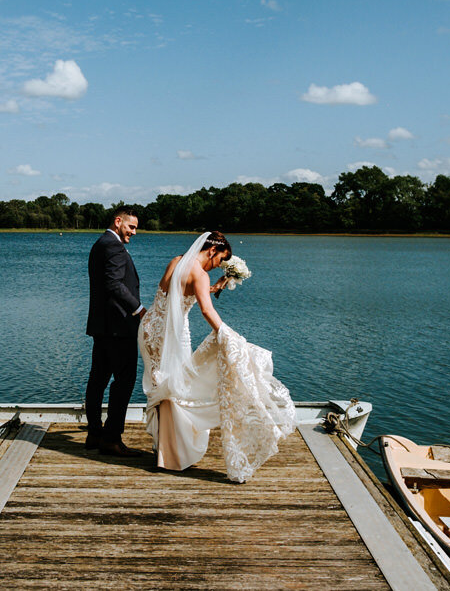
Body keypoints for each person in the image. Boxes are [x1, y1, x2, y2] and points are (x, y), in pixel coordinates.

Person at [138, 231, 296, 482]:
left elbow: (178, 293)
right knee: (175, 389)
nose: (216, 266)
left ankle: (163, 451)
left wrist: (212, 287)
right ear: (212, 251)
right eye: (218, 260)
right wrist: (226, 333)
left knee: (163, 385)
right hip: (174, 336)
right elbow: (206, 310)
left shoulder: (176, 261)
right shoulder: (199, 274)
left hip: (150, 331)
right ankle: (170, 456)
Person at [85, 206, 147, 457]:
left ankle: (94, 433)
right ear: (118, 221)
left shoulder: (100, 243)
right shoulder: (113, 246)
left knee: (98, 380)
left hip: (102, 326)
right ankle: (111, 438)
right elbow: (113, 284)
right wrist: (140, 309)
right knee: (124, 381)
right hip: (119, 327)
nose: (133, 232)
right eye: (131, 227)